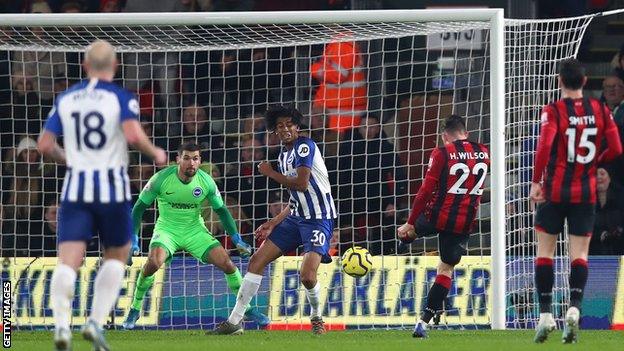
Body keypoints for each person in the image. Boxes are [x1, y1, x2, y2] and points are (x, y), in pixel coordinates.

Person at [37, 40, 167, 351]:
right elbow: (134, 135)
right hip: (112, 190)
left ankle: (61, 327)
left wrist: (68, 158)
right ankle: (95, 322)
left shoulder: (66, 98)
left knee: (68, 261)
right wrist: (156, 153)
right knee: (117, 255)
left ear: (84, 66)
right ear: (116, 65)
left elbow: (44, 145)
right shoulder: (121, 97)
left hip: (75, 190)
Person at [211, 105, 337, 335]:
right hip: (295, 218)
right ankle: (234, 322)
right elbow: (296, 198)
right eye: (280, 126)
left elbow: (301, 183)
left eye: (289, 124)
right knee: (256, 262)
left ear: (297, 127)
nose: (285, 128)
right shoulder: (283, 155)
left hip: (318, 219)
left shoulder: (305, 146)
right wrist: (274, 222)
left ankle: (317, 317)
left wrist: (269, 173)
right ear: (274, 131)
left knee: (308, 277)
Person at [122, 142, 269, 329]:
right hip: (168, 230)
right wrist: (133, 239)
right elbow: (138, 208)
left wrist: (236, 238)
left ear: (200, 161)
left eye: (195, 158)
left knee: (227, 264)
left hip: (194, 231)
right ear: (178, 160)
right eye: (186, 158)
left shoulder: (206, 181)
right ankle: (135, 309)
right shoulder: (160, 179)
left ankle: (247, 309)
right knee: (153, 263)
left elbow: (222, 211)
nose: (191, 163)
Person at [530, 59, 622, 344]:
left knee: (545, 252)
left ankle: (546, 314)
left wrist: (536, 182)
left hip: (555, 192)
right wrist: (594, 162)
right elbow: (617, 148)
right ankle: (574, 308)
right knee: (579, 255)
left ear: (560, 81)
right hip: (585, 193)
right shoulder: (600, 110)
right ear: (585, 82)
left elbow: (545, 146)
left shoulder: (554, 110)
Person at [397, 114, 490, 338]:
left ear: (444, 136)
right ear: (465, 133)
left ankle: (403, 241)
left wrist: (410, 222)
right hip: (463, 222)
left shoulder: (441, 152)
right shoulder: (485, 152)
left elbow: (425, 191)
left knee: (406, 232)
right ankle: (424, 321)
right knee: (446, 269)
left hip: (436, 215)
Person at [310, 34, 367, 132]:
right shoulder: (339, 43)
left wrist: (313, 68)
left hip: (341, 117)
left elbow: (337, 75)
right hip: (338, 114)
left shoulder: (343, 44)